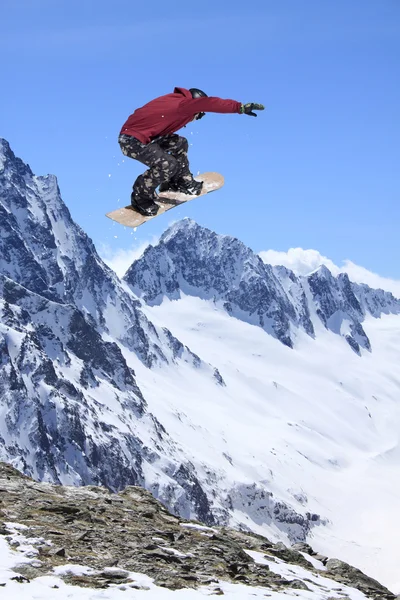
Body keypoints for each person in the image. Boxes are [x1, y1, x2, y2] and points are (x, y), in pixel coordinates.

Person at [118, 87, 264, 216]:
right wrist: (240, 108)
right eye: (198, 115)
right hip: (132, 140)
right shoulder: (185, 104)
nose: (194, 119)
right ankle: (141, 196)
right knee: (168, 164)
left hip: (141, 136)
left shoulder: (175, 101)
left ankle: (179, 182)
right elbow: (210, 103)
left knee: (180, 143)